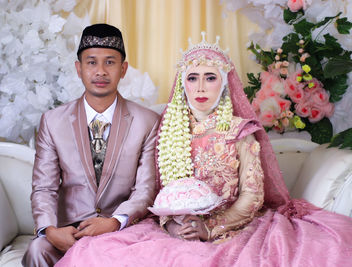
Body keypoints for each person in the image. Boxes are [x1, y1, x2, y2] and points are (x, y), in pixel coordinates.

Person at [55, 33, 352, 266]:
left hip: (231, 227)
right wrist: (172, 225)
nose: (200, 88)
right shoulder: (166, 129)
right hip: (172, 226)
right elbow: (152, 191)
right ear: (183, 84)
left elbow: (253, 195)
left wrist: (209, 228)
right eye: (192, 78)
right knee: (97, 254)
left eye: (210, 78)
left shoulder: (240, 130)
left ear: (224, 84)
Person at [22, 23, 160, 267]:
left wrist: (115, 221)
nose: (101, 71)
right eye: (91, 62)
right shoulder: (53, 121)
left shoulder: (146, 121)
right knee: (37, 251)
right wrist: (49, 229)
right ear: (79, 68)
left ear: (123, 69)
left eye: (110, 62)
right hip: (70, 230)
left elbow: (145, 188)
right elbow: (44, 187)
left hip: (121, 230)